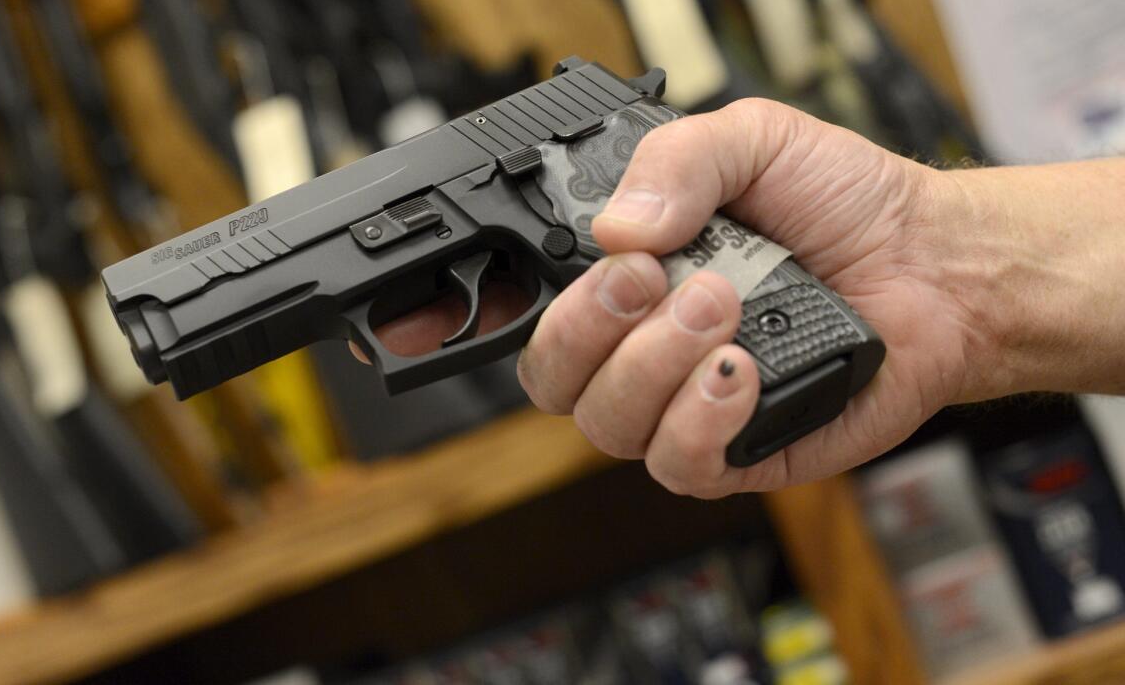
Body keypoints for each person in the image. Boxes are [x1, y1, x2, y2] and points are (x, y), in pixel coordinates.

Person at [369, 99, 1125, 498]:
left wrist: (938, 266)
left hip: (556, 155)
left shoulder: (565, 152)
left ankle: (798, 339)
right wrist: (942, 277)